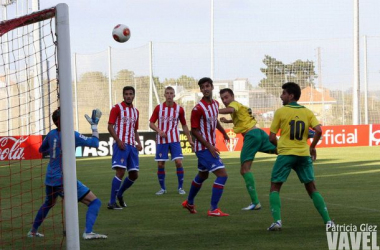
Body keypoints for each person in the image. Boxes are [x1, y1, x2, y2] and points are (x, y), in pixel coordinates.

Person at [28, 108, 107, 240]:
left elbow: (42, 149)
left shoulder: (51, 134)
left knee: (49, 203)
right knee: (95, 202)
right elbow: (95, 143)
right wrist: (94, 126)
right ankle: (88, 232)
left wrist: (55, 148)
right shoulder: (72, 135)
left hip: (50, 178)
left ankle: (33, 231)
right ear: (63, 121)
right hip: (63, 179)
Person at [267, 82, 333, 231]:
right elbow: (319, 130)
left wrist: (280, 148)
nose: (281, 96)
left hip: (286, 154)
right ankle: (328, 221)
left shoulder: (280, 112)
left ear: (291, 96)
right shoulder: (307, 112)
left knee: (275, 187)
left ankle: (277, 221)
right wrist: (312, 147)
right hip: (303, 155)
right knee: (312, 188)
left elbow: (271, 138)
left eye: (283, 93)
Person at [219, 88, 277, 211]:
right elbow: (241, 118)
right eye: (222, 99)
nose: (225, 100)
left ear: (232, 96)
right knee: (282, 150)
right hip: (259, 133)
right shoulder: (240, 106)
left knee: (244, 170)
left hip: (251, 137)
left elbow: (230, 109)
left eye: (226, 97)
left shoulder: (233, 105)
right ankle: (305, 149)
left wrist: (213, 110)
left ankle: (255, 202)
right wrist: (228, 120)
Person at [182, 77, 230, 217]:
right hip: (203, 148)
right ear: (201, 90)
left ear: (212, 87)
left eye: (207, 86)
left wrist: (223, 133)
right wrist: (209, 146)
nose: (205, 89)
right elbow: (194, 131)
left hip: (207, 147)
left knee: (202, 175)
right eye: (202, 87)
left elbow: (214, 121)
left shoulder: (215, 104)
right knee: (222, 175)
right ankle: (213, 209)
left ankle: (189, 202)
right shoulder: (197, 109)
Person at [149, 86, 194, 195]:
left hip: (174, 139)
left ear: (174, 95)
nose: (169, 95)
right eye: (167, 93)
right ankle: (162, 189)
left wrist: (190, 139)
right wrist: (159, 131)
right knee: (160, 164)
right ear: (164, 95)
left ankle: (180, 188)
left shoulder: (179, 109)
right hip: (161, 140)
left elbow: (184, 125)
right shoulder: (158, 108)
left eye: (171, 93)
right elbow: (151, 123)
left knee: (178, 162)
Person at [108, 86, 142, 210]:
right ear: (123, 95)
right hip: (121, 144)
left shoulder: (136, 112)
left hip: (132, 146)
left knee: (134, 174)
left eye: (130, 94)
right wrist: (118, 141)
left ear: (134, 96)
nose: (128, 96)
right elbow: (110, 127)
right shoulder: (117, 108)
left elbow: (135, 129)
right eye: (126, 94)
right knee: (121, 172)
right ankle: (111, 202)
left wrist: (138, 143)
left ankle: (120, 194)